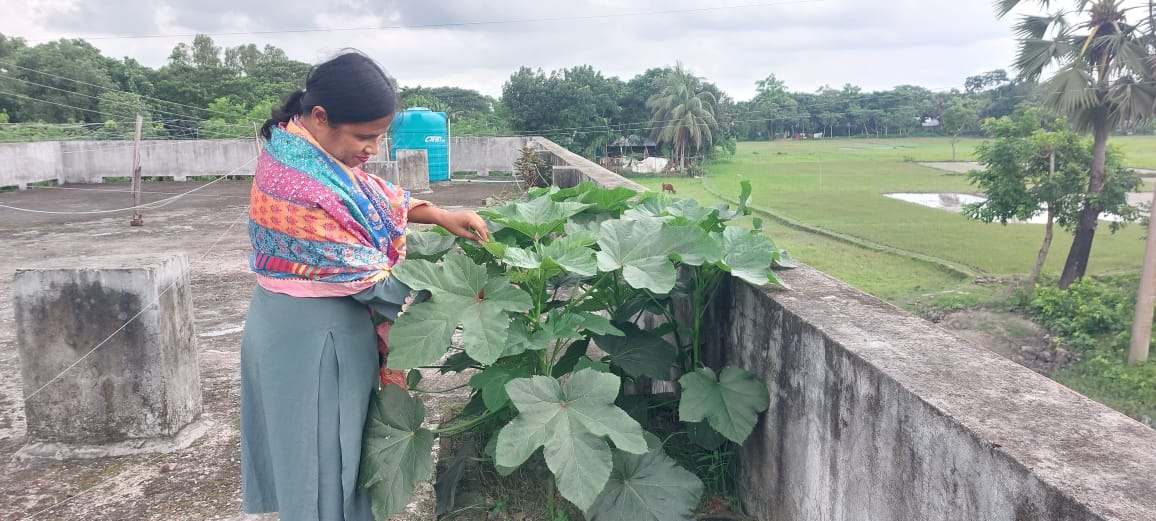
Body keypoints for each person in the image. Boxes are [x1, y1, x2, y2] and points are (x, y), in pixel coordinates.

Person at [240, 50, 488, 521]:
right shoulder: (299, 186)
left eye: (380, 136)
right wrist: (452, 292)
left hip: (294, 327)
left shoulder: (298, 150)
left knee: (325, 456)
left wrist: (438, 214)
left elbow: (367, 193)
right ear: (320, 116)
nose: (372, 148)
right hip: (315, 339)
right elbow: (372, 279)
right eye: (364, 136)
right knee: (323, 467)